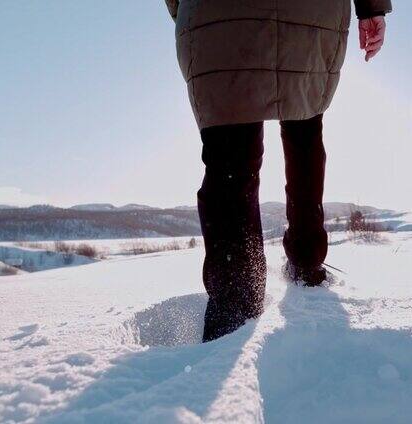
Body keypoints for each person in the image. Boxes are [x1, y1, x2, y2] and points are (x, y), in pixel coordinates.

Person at [165, 0, 392, 342]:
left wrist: (185, 11)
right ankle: (306, 262)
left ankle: (235, 304)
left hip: (215, 13)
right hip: (311, 13)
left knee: (230, 156)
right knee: (304, 128)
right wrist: (371, 8)